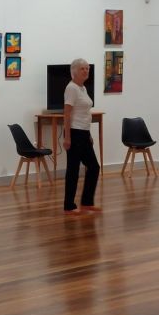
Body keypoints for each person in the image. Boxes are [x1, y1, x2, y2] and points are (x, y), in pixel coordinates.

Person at [63, 58, 100, 213]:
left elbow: (84, 113)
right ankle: (69, 206)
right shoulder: (71, 88)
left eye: (87, 68)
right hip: (75, 132)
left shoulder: (82, 88)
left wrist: (89, 133)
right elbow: (67, 114)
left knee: (93, 167)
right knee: (73, 170)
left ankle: (86, 202)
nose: (86, 71)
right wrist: (67, 137)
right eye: (82, 69)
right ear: (74, 71)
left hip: (83, 133)